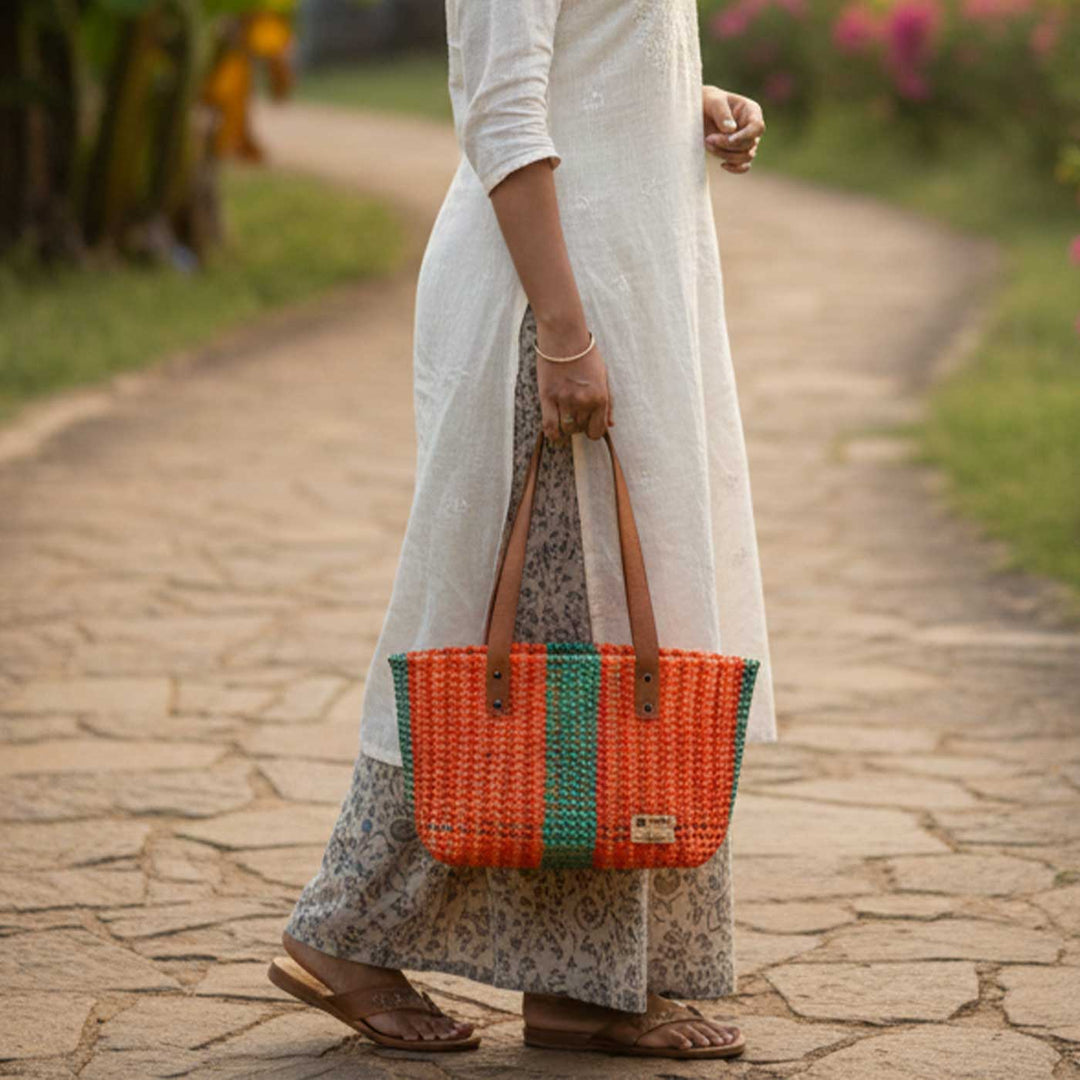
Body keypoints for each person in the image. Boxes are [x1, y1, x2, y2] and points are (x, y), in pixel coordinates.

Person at [269, 0, 777, 1060]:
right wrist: (562, 331)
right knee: (527, 646)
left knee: (590, 640)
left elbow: (583, 61)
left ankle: (581, 987)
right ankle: (344, 937)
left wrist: (691, 97)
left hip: (629, 290)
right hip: (553, 303)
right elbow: (501, 108)